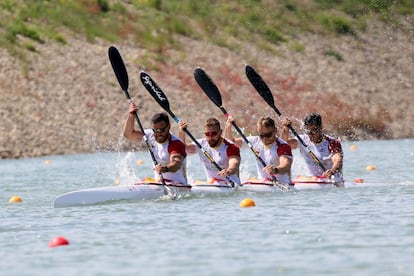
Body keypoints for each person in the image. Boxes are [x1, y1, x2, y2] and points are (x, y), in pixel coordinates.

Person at [123, 102, 187, 185]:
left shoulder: (176, 144)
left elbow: (176, 163)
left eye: (162, 130)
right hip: (160, 183)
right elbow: (128, 134)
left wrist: (165, 169)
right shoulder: (150, 135)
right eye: (155, 130)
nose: (158, 133)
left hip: (178, 184)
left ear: (168, 127)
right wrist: (131, 115)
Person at [224, 116, 293, 185]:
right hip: (263, 183)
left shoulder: (283, 146)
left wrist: (275, 170)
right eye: (261, 135)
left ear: (275, 130)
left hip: (282, 184)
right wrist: (228, 126)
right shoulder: (255, 141)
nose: (265, 139)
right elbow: (230, 142)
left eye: (268, 135)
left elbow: (286, 165)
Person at [280, 112, 344, 183]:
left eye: (314, 131)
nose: (311, 135)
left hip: (331, 178)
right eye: (308, 132)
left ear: (321, 128)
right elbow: (282, 145)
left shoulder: (332, 142)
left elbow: (337, 160)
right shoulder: (302, 140)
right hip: (311, 179)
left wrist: (332, 170)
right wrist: (286, 128)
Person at [178, 118, 241, 186]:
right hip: (212, 184)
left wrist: (228, 171)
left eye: (213, 133)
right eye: (207, 134)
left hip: (230, 184)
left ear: (220, 132)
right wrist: (182, 133)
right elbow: (184, 149)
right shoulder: (201, 144)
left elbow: (234, 164)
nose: (210, 137)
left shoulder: (230, 147)